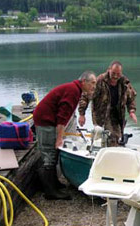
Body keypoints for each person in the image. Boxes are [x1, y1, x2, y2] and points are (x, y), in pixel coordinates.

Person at [33, 71, 96, 200]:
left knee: (55, 153)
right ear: (84, 82)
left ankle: (54, 183)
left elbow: (65, 117)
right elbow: (62, 118)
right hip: (45, 120)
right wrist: (59, 138)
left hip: (49, 119)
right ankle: (50, 192)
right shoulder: (73, 91)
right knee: (49, 153)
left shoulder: (75, 89)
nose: (94, 86)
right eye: (92, 83)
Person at [78, 61, 137, 146]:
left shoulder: (124, 82)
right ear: (109, 70)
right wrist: (82, 114)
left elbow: (131, 96)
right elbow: (85, 96)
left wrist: (131, 111)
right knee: (108, 136)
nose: (116, 76)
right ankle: (101, 153)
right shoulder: (100, 81)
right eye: (113, 73)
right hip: (102, 114)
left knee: (116, 138)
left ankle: (112, 153)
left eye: (118, 74)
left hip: (117, 114)